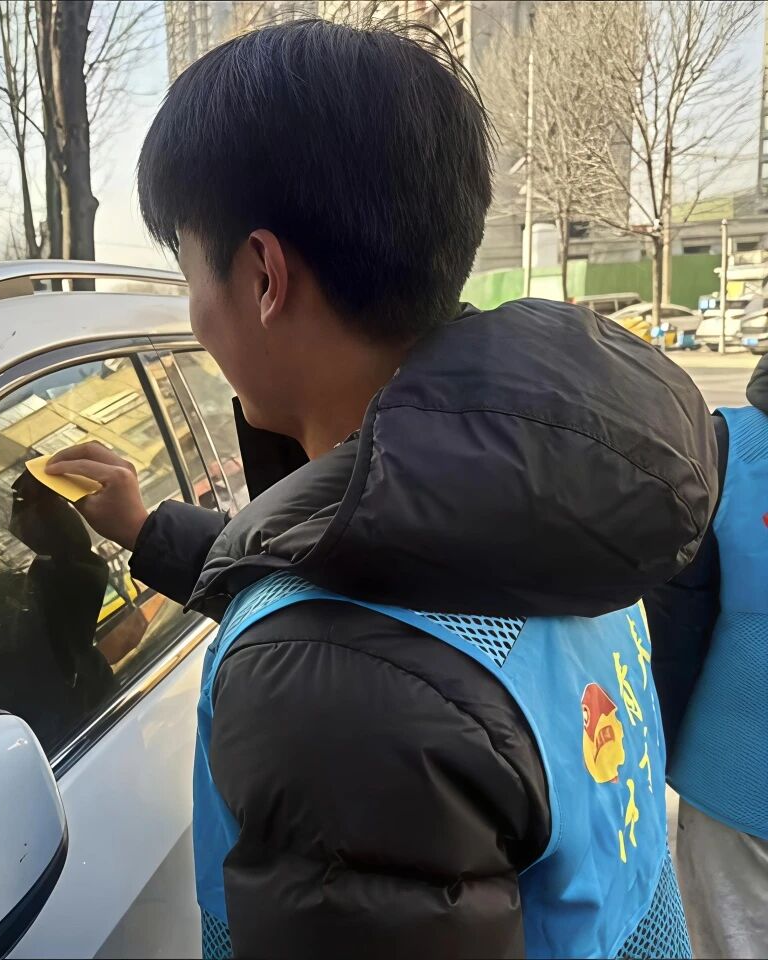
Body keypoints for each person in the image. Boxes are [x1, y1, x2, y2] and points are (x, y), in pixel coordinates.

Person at [46, 20, 716, 960]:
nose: (194, 316)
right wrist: (149, 528)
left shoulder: (332, 700)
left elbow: (364, 654)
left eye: (190, 270)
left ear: (264, 275)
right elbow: (377, 595)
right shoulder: (559, 491)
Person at [646, 354, 768, 960]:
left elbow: (672, 641)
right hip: (735, 799)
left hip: (732, 800)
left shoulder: (727, 449)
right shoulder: (727, 450)